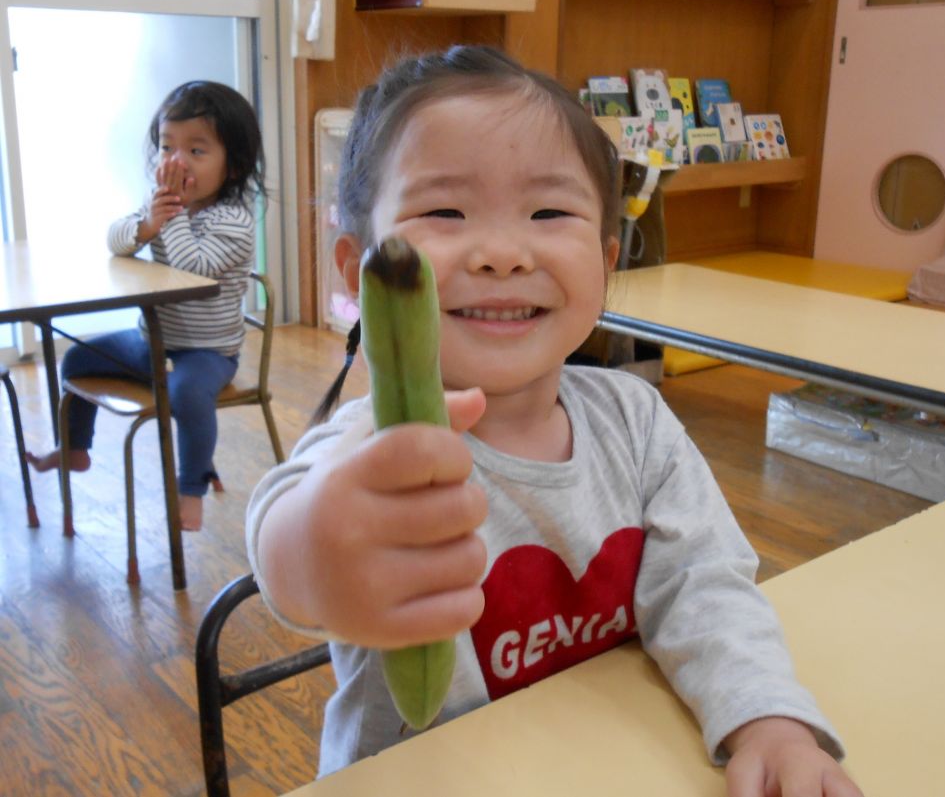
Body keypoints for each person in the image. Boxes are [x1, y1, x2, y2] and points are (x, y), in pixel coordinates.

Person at [246, 46, 863, 795]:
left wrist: (766, 717)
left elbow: (704, 583)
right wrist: (315, 548)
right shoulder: (383, 447)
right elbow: (285, 530)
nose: (504, 253)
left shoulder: (634, 419)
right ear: (361, 269)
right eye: (445, 210)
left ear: (606, 260)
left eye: (548, 212)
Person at [28, 80, 265, 532]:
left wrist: (168, 216)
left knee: (188, 395)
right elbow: (116, 242)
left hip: (206, 352)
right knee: (77, 359)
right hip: (151, 342)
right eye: (166, 146)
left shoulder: (234, 221)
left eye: (196, 151)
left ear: (232, 167)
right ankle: (76, 447)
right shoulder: (160, 205)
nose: (176, 162)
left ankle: (190, 488)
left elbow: (194, 268)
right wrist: (145, 226)